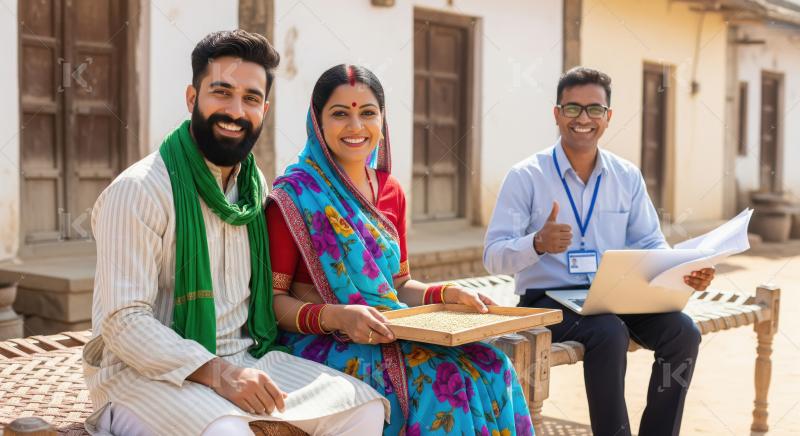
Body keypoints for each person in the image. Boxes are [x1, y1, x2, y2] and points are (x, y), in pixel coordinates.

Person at [84, 31, 388, 436]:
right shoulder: (140, 190)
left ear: (264, 107)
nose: (235, 111)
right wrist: (219, 374)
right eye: (221, 93)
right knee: (226, 432)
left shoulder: (253, 186)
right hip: (143, 377)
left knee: (362, 407)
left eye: (249, 99)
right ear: (192, 99)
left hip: (244, 356)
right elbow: (122, 323)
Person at [266, 64, 534, 436]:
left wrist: (446, 292)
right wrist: (338, 317)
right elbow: (273, 301)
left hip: (391, 331)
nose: (356, 127)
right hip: (325, 340)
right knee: (445, 383)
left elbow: (400, 285)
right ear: (318, 121)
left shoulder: (390, 191)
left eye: (367, 113)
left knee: (493, 364)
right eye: (340, 114)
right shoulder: (293, 196)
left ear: (382, 119)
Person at [483, 66, 713, 436]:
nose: (583, 119)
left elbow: (651, 244)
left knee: (683, 332)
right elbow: (493, 255)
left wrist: (682, 272)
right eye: (572, 108)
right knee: (608, 331)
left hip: (614, 296)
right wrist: (537, 243)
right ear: (556, 114)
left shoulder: (626, 176)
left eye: (594, 109)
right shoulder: (526, 176)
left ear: (608, 117)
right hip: (548, 301)